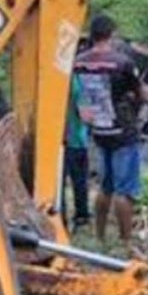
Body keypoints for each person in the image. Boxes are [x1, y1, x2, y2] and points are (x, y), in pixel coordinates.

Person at [73, 14, 148, 256]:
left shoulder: (79, 62)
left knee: (105, 187)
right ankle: (126, 242)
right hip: (123, 130)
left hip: (99, 128)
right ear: (111, 34)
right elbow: (141, 94)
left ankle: (99, 236)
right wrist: (147, 93)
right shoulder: (123, 63)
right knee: (124, 190)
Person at [62, 74, 91, 229]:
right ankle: (81, 216)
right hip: (76, 140)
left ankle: (61, 217)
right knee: (79, 182)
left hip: (57, 140)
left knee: (58, 184)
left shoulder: (59, 77)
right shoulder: (78, 82)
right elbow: (85, 115)